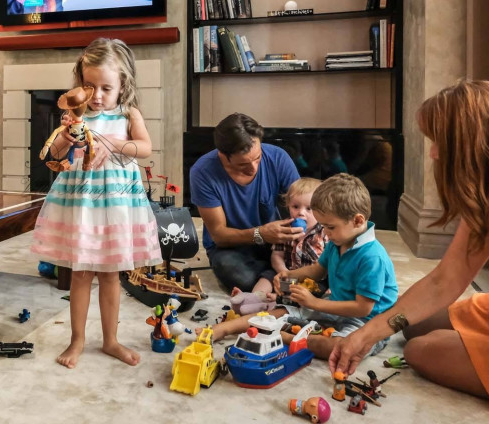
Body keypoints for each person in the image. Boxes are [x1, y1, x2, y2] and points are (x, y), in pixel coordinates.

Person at [329, 80, 489, 400]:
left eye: (440, 141)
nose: (433, 152)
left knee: (419, 350)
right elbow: (444, 281)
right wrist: (367, 334)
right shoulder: (481, 202)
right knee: (412, 324)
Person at [30, 38, 161, 369]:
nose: (98, 95)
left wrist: (117, 145)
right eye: (89, 86)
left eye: (106, 87)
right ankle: (77, 339)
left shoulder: (128, 113)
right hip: (83, 204)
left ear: (123, 85)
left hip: (116, 205)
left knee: (111, 276)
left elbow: (145, 148)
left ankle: (111, 340)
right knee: (81, 273)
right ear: (79, 84)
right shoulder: (75, 115)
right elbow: (55, 155)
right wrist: (65, 137)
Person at [200, 173, 398, 361]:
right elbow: (317, 270)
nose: (326, 234)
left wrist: (315, 303)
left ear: (357, 221)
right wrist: (288, 274)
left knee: (340, 347)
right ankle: (225, 329)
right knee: (282, 310)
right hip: (335, 306)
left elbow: (363, 308)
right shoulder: (338, 241)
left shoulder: (372, 258)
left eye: (330, 227)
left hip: (368, 321)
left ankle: (279, 336)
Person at [190, 113, 302, 295]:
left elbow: (303, 202)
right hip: (231, 247)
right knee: (239, 275)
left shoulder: (278, 157)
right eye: (243, 164)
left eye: (257, 158)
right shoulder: (203, 172)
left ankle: (271, 277)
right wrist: (261, 234)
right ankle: (275, 276)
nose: (253, 168)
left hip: (274, 242)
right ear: (223, 155)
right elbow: (219, 235)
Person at [226, 177, 328, 315]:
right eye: (295, 206)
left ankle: (272, 304)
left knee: (313, 291)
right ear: (288, 205)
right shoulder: (284, 228)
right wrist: (283, 271)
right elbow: (277, 256)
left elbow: (332, 263)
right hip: (286, 271)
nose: (301, 212)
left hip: (312, 279)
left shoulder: (325, 232)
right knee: (267, 275)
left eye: (309, 208)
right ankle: (255, 296)